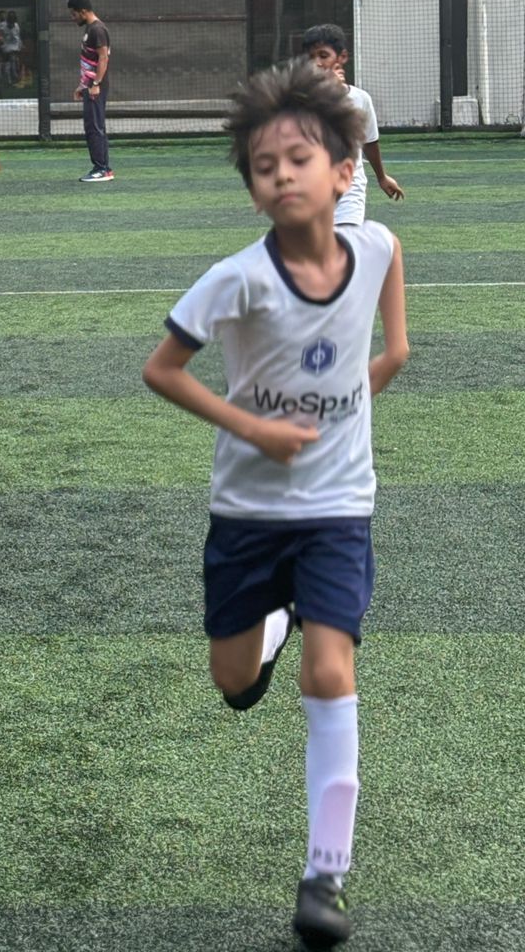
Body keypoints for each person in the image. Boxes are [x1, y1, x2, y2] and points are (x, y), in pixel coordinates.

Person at [142, 59, 408, 950]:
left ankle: (326, 872)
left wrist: (346, 413)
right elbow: (162, 370)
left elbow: (393, 353)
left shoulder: (379, 250)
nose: (282, 175)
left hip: (339, 505)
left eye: (300, 158)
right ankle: (276, 620)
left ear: (344, 170)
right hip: (248, 513)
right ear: (252, 187)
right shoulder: (237, 279)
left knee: (330, 674)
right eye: (264, 166)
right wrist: (253, 428)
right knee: (234, 683)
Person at [302, 24, 405, 226]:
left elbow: (369, 141)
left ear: (342, 57)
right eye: (311, 57)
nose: (317, 63)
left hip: (349, 192)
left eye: (323, 55)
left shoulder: (360, 99)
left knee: (345, 242)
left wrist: (382, 177)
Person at [67, 0, 112, 182]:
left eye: (74, 14)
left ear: (83, 11)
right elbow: (90, 61)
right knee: (93, 126)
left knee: (95, 127)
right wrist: (83, 85)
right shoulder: (90, 29)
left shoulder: (98, 29)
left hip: (96, 87)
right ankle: (103, 168)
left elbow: (103, 58)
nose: (73, 18)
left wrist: (95, 84)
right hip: (90, 86)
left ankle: (101, 169)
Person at [0, 9, 23, 88]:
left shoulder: (16, 25)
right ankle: (9, 79)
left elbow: (18, 36)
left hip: (14, 46)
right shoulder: (3, 26)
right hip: (6, 47)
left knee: (13, 63)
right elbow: (0, 35)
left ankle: (13, 78)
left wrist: (20, 45)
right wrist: (1, 41)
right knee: (8, 63)